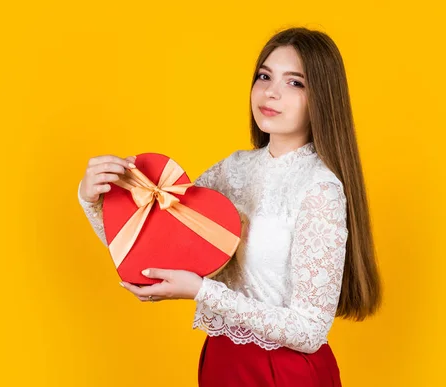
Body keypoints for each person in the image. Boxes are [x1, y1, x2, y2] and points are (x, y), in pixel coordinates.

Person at [77, 27, 381, 387]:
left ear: (323, 98)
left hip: (285, 374)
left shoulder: (320, 188)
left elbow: (310, 330)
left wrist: (201, 292)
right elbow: (152, 250)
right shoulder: (233, 169)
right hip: (222, 362)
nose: (271, 92)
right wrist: (95, 200)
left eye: (295, 83)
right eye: (264, 76)